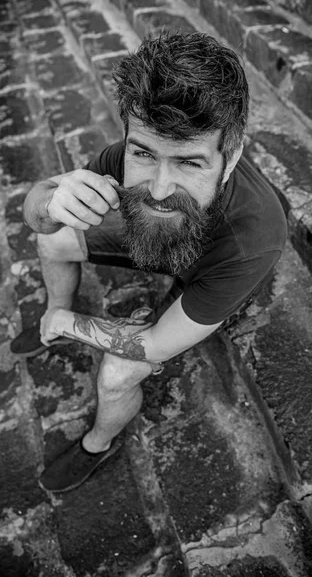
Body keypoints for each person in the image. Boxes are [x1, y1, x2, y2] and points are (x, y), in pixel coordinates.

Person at [11, 32, 287, 493]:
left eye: (189, 163)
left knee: (119, 373)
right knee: (57, 238)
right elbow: (38, 208)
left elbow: (155, 343)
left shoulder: (255, 239)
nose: (159, 188)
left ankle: (98, 444)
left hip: (209, 271)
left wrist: (71, 323)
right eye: (145, 153)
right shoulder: (124, 156)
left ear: (232, 155)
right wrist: (49, 202)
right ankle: (48, 318)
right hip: (156, 239)